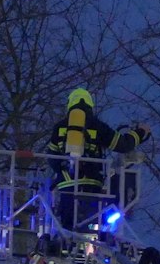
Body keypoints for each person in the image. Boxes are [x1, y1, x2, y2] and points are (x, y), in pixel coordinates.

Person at [50, 88, 149, 234]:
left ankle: (67, 240)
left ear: (70, 104)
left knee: (68, 227)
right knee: (92, 225)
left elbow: (52, 158)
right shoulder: (98, 126)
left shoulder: (59, 127)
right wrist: (140, 133)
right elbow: (123, 145)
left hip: (67, 185)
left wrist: (61, 172)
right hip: (92, 185)